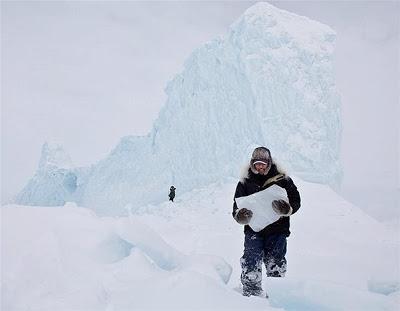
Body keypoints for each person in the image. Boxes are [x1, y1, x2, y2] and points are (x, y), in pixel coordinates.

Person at [232, 146, 301, 297]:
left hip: (277, 230)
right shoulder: (244, 182)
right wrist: (240, 216)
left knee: (275, 262)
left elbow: (296, 200)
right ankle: (251, 293)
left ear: (269, 163)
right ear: (252, 163)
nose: (260, 166)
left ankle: (276, 296)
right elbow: (236, 208)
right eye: (257, 163)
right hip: (253, 231)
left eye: (263, 163)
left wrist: (287, 209)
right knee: (251, 260)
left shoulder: (283, 180)